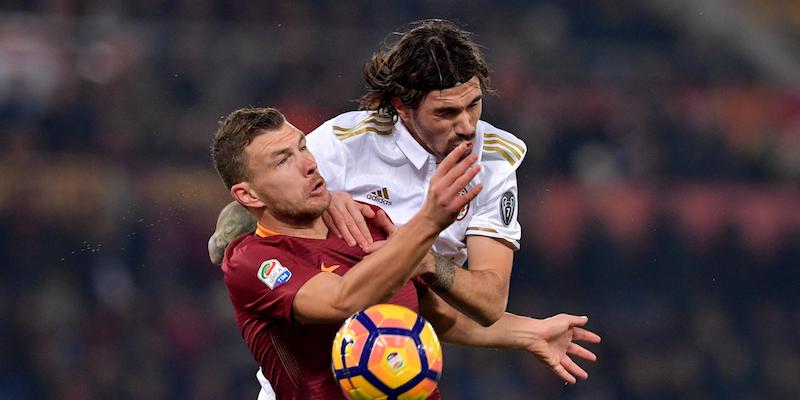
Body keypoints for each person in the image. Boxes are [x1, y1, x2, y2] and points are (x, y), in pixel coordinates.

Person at [212, 107, 600, 399]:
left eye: (302, 148)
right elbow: (343, 300)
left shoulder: (367, 225)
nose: (310, 165)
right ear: (248, 195)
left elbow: (436, 316)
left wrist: (528, 333)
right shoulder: (252, 261)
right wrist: (429, 219)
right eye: (284, 160)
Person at [210, 18, 525, 328]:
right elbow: (238, 219)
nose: (467, 126)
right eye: (446, 113)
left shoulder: (494, 160)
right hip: (317, 332)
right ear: (402, 106)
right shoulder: (347, 143)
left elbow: (490, 303)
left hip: (403, 342)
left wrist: (425, 261)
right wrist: (322, 197)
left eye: (473, 105)